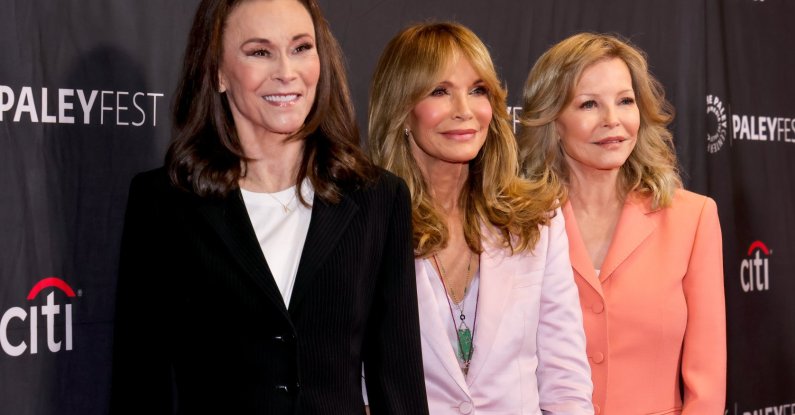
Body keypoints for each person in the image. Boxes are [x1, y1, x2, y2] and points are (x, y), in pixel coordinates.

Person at [110, 0, 428, 413]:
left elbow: (398, 384)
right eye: (260, 52)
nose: (286, 72)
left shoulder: (377, 198)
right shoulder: (165, 202)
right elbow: (140, 383)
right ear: (219, 72)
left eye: (301, 48)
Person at [368, 22, 594, 414]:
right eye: (440, 91)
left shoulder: (537, 220)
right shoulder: (366, 225)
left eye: (478, 91)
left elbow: (566, 380)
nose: (465, 110)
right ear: (402, 110)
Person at [519, 33, 726, 414]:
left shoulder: (692, 218)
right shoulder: (518, 224)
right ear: (553, 119)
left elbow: (706, 386)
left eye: (625, 101)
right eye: (589, 104)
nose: (612, 120)